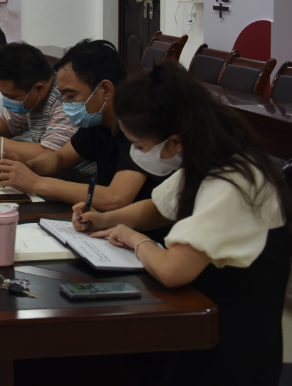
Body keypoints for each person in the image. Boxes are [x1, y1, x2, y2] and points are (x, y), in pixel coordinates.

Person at [74, 62, 289, 386]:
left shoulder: (234, 181)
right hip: (197, 316)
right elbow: (159, 207)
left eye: (140, 146)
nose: (137, 154)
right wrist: (105, 219)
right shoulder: (205, 155)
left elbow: (173, 270)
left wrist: (135, 239)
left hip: (228, 346)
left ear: (174, 141)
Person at [0, 39, 166, 208]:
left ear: (105, 89)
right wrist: (27, 166)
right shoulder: (98, 119)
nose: (65, 104)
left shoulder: (139, 124)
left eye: (71, 96)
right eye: (63, 96)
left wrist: (36, 183)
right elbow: (60, 159)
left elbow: (115, 198)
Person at [0, 42, 88, 180]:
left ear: (38, 89)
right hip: (47, 180)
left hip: (76, 184)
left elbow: (51, 154)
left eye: (11, 97)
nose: (6, 102)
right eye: (3, 95)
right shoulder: (29, 96)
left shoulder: (66, 100)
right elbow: (5, 121)